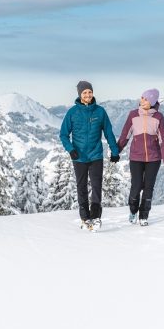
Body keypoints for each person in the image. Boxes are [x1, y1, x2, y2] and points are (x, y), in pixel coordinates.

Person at [60, 80, 120, 230]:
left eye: (89, 92)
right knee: (81, 187)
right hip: (78, 156)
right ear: (80, 94)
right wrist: (70, 149)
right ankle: (85, 217)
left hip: (96, 155)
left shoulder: (100, 112)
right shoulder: (72, 112)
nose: (87, 95)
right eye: (84, 92)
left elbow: (108, 132)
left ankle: (96, 216)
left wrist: (115, 151)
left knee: (96, 186)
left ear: (92, 93)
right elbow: (63, 134)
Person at [117, 88, 164, 226]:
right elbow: (125, 135)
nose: (142, 100)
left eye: (145, 99)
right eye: (142, 97)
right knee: (135, 187)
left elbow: (163, 140)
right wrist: (116, 151)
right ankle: (133, 210)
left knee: (148, 188)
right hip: (136, 157)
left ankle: (144, 216)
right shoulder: (133, 115)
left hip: (154, 159)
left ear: (152, 101)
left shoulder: (158, 117)